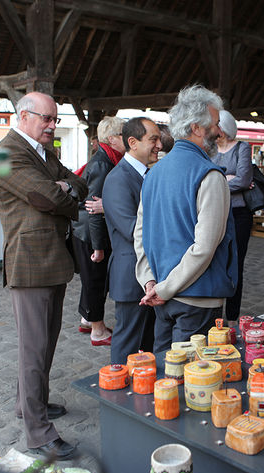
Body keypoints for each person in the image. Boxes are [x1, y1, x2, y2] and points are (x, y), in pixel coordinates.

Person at [0, 92, 87, 460]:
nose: (52, 125)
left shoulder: (43, 152)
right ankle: (37, 433)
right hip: (29, 263)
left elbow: (76, 184)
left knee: (44, 345)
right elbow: (49, 195)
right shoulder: (5, 153)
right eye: (46, 118)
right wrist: (62, 189)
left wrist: (64, 188)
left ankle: (31, 404)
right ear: (24, 116)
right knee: (33, 350)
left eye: (55, 119)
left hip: (52, 260)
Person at [134, 85, 238, 352]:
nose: (220, 131)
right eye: (215, 124)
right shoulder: (209, 174)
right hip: (197, 299)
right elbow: (204, 247)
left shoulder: (153, 173)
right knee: (193, 385)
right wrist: (163, 289)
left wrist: (151, 282)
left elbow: (140, 235)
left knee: (164, 381)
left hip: (162, 296)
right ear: (196, 128)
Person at [103, 117, 160, 363]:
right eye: (153, 139)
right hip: (130, 275)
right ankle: (114, 394)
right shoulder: (117, 179)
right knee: (126, 341)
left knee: (149, 341)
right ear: (133, 142)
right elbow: (130, 228)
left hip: (151, 273)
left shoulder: (150, 174)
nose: (159, 145)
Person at [72, 116, 125, 346]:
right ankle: (98, 330)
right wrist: (98, 246)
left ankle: (87, 319)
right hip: (89, 232)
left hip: (85, 230)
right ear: (112, 139)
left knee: (90, 279)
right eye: (124, 134)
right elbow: (94, 207)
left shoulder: (105, 158)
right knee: (95, 279)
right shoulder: (104, 164)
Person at [212, 110, 253, 325]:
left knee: (235, 264)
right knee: (216, 260)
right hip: (215, 212)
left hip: (238, 214)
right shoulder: (209, 149)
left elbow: (244, 179)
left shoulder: (242, 147)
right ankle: (216, 314)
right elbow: (202, 178)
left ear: (224, 127)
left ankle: (233, 316)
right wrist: (228, 179)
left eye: (216, 124)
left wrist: (216, 184)